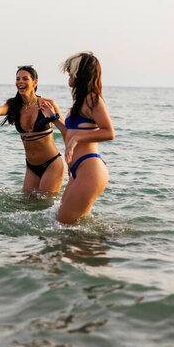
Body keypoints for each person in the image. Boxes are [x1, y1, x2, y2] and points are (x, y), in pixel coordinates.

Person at [0, 66, 66, 193]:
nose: (20, 81)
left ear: (35, 82)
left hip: (52, 164)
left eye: (25, 78)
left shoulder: (47, 104)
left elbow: (65, 130)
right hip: (31, 167)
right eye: (18, 79)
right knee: (26, 205)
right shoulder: (15, 105)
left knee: (45, 205)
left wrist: (71, 157)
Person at [44, 52, 114, 223]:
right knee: (61, 220)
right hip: (78, 170)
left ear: (80, 73)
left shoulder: (93, 99)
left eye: (70, 70)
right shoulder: (81, 101)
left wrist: (77, 139)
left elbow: (109, 132)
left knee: (65, 224)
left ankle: (99, 246)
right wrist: (54, 118)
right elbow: (70, 133)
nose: (68, 73)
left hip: (90, 169)